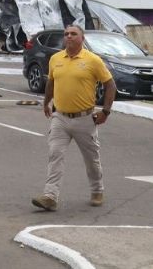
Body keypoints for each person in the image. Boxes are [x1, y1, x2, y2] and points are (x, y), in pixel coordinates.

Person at [32, 25, 117, 212]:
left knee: (91, 159)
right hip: (60, 118)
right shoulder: (56, 59)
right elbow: (51, 82)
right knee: (55, 155)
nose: (69, 37)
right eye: (66, 34)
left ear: (82, 38)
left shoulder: (92, 60)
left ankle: (97, 190)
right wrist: (46, 102)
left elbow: (110, 85)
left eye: (73, 34)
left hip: (85, 119)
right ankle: (50, 196)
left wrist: (106, 111)